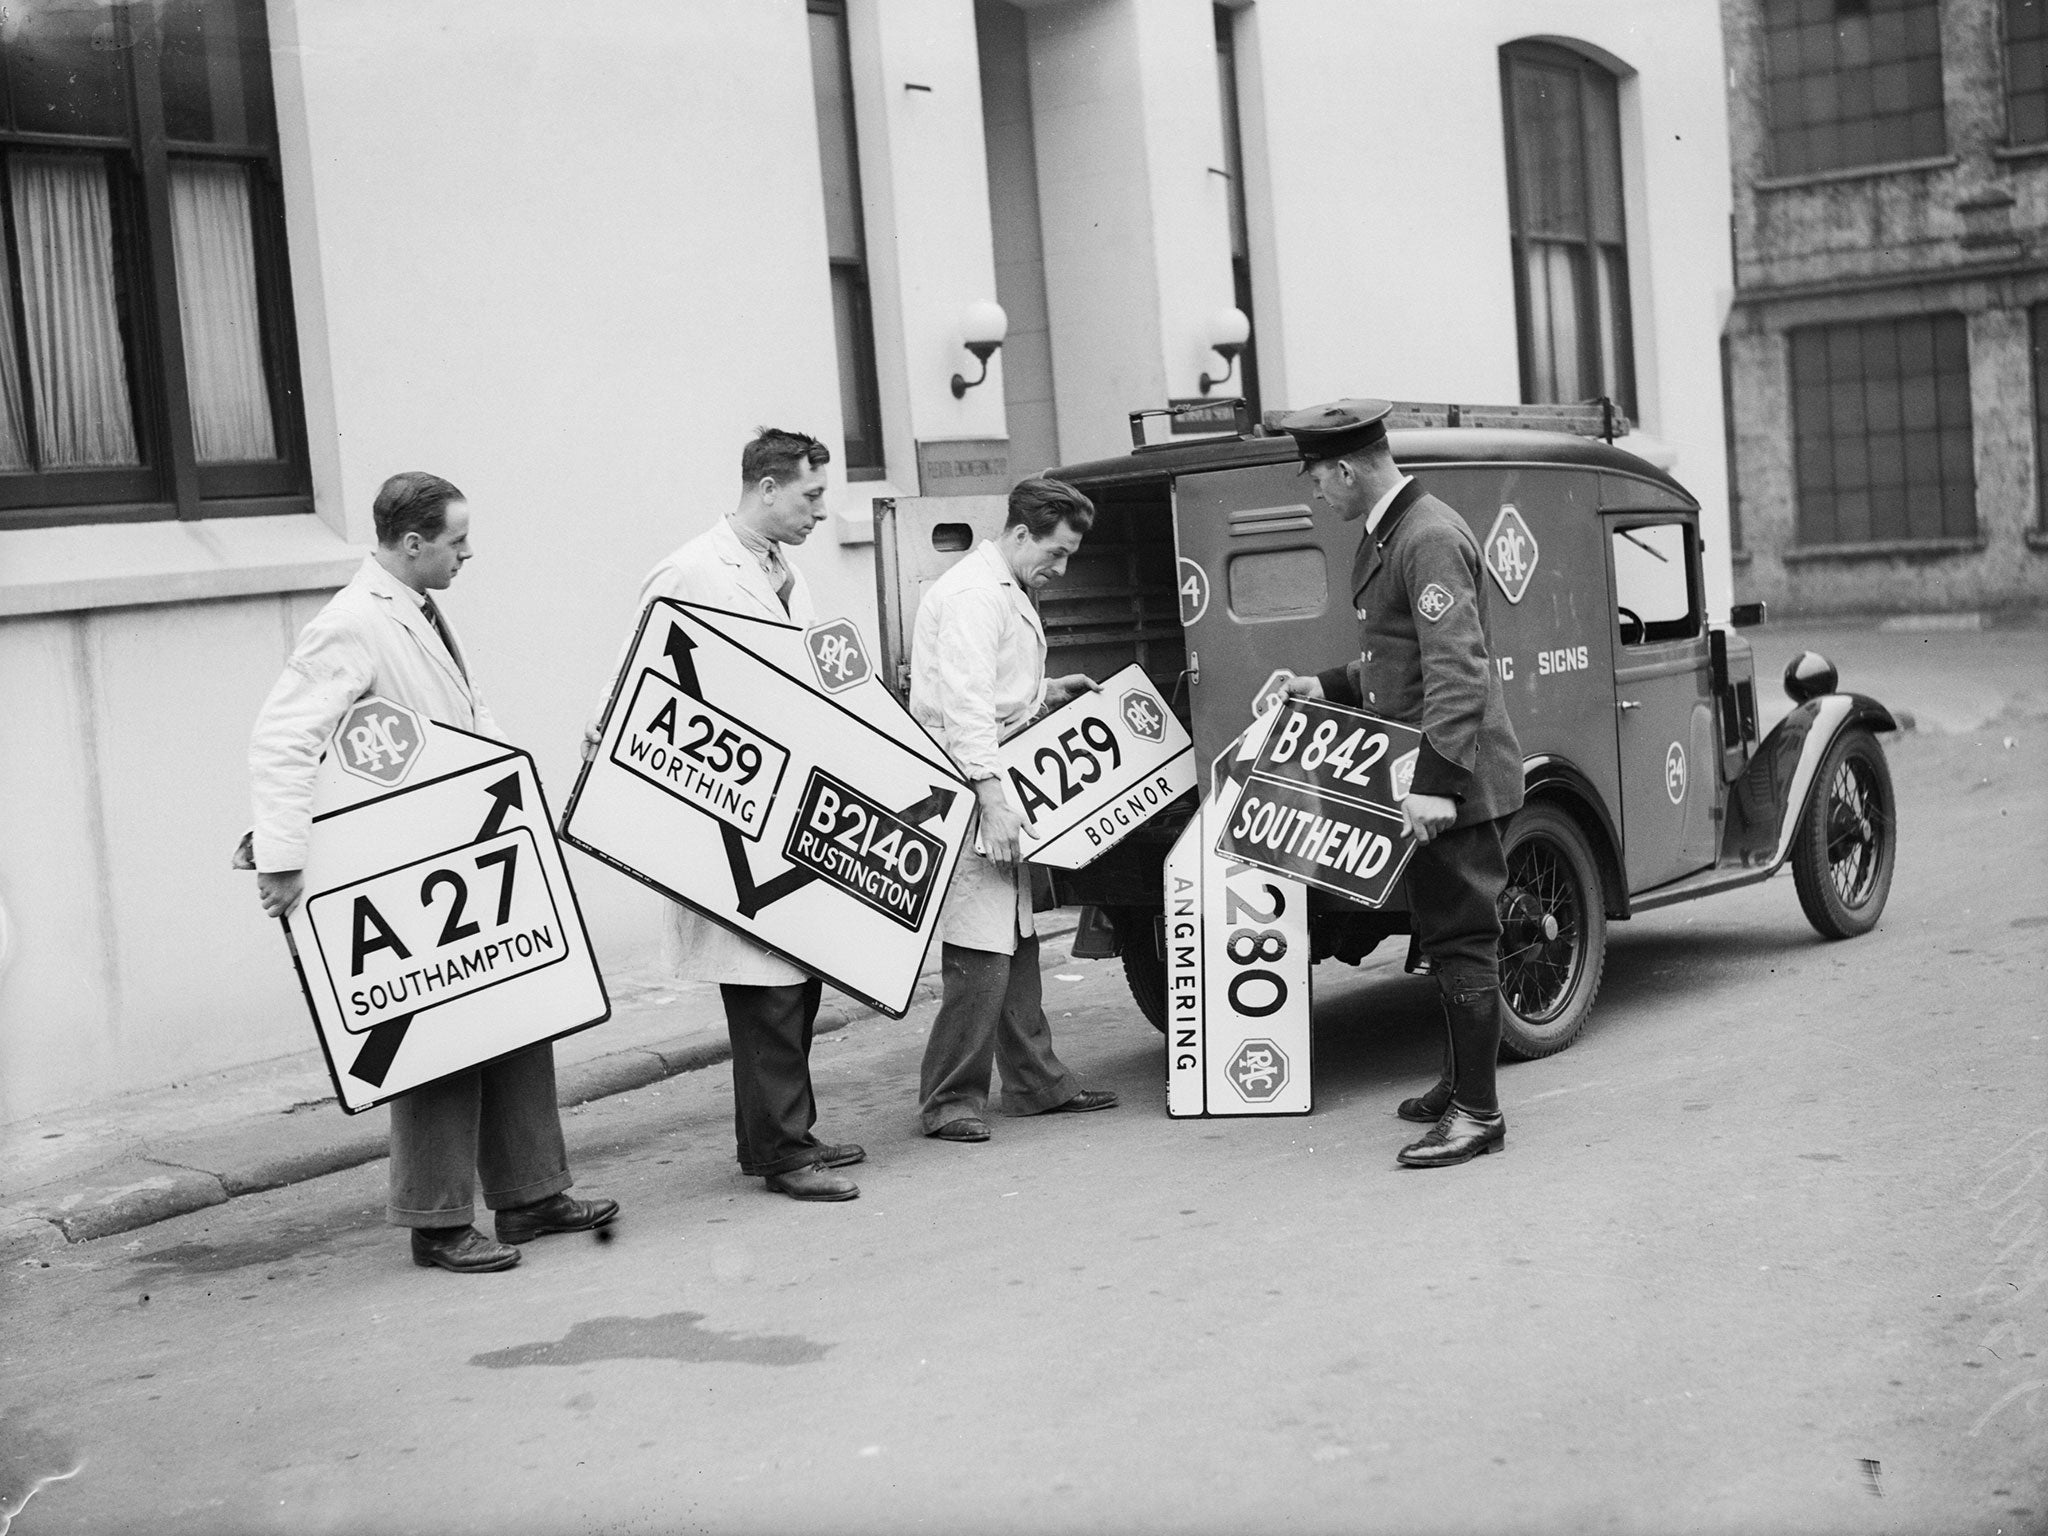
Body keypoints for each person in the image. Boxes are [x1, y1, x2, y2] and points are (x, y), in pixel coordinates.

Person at [248, 472, 618, 1272]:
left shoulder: (420, 610)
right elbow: (283, 740)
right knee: (435, 1039)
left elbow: (469, 717)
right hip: (404, 867)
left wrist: (516, 799)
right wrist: (281, 858)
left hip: (469, 848)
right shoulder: (350, 624)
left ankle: (530, 1195)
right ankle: (438, 1220)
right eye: (456, 540)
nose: (468, 552)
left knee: (519, 1010)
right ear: (412, 544)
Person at [599, 428, 865, 1202]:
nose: (822, 512)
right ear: (768, 487)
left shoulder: (786, 572)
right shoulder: (692, 570)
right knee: (768, 991)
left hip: (789, 805)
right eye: (813, 496)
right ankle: (782, 1154)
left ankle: (787, 1134)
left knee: (798, 981)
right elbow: (636, 681)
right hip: (730, 810)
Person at [1273, 400, 1524, 1168]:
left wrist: (1439, 785)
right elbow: (1398, 661)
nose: (1317, 494)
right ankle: (1458, 1083)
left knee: (1462, 939)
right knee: (1441, 935)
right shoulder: (1398, 531)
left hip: (1455, 778)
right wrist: (1323, 685)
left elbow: (1457, 669)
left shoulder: (1427, 536)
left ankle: (1479, 1114)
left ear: (1346, 469)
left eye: (1318, 479)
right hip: (1432, 769)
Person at [909, 476, 1121, 1142]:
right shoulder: (975, 593)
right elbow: (966, 706)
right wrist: (992, 800)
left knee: (1018, 935)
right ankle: (949, 1100)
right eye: (1054, 554)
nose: (1058, 570)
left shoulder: (1005, 585)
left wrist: (1047, 690)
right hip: (971, 780)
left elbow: (991, 687)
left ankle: (1035, 1081)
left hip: (994, 767)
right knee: (980, 945)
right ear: (1022, 533)